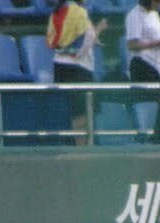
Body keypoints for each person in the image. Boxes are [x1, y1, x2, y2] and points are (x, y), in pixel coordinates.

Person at [47, 0, 108, 145]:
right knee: (81, 114)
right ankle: (82, 151)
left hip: (61, 67)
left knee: (79, 112)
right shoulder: (79, 13)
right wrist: (99, 29)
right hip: (77, 69)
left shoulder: (59, 10)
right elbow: (82, 47)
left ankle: (81, 147)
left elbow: (55, 41)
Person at [124, 0, 160, 84]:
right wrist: (158, 43)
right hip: (143, 66)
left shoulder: (154, 15)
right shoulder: (134, 15)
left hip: (158, 66)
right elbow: (132, 45)